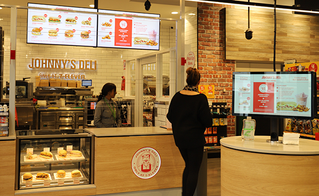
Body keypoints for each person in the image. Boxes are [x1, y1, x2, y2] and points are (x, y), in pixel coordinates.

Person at [167, 67, 212, 196]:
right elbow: (207, 122)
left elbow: (170, 116)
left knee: (188, 166)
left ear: (187, 80)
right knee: (194, 169)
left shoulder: (177, 96)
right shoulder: (200, 98)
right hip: (195, 140)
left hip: (180, 139)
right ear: (198, 82)